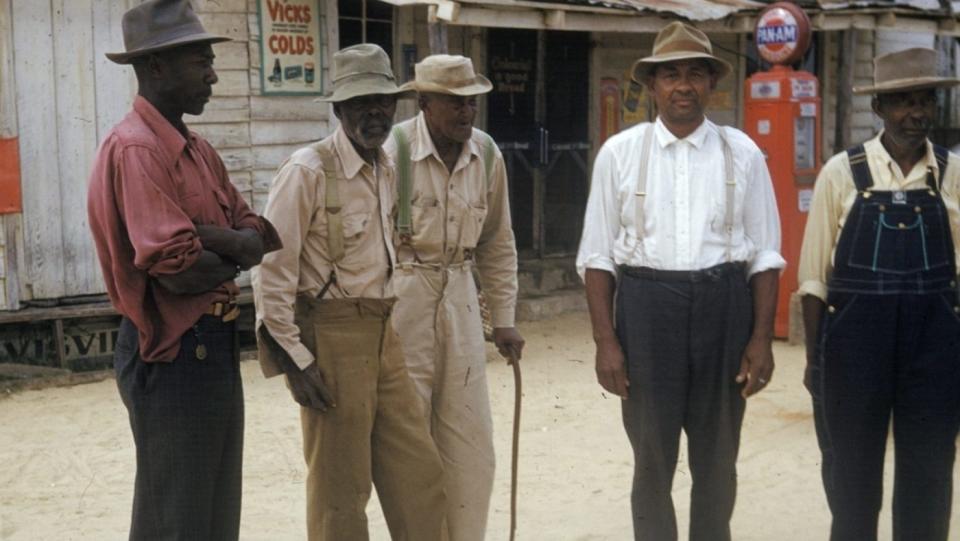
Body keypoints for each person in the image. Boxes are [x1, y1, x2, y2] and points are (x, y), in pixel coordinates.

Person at [576, 21, 785, 541]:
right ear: (652, 87)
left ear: (713, 84)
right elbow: (598, 257)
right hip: (647, 312)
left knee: (718, 460)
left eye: (695, 74)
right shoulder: (619, 155)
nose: (683, 86)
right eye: (671, 75)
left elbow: (763, 256)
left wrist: (760, 339)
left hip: (724, 308)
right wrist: (607, 343)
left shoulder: (743, 154)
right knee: (652, 459)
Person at [86, 1, 282, 539]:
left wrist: (206, 235)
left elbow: (260, 236)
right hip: (173, 354)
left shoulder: (198, 151)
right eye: (201, 61)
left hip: (213, 346)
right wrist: (226, 244)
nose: (214, 74)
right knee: (178, 519)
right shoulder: (138, 150)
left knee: (214, 516)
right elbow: (178, 272)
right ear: (155, 68)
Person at [251, 43, 449, 541]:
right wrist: (295, 358)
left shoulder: (387, 167)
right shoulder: (308, 170)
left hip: (385, 332)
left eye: (382, 100)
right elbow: (271, 269)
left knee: (419, 475)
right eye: (361, 103)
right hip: (331, 338)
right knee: (341, 492)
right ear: (339, 110)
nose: (374, 112)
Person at [799, 47, 960, 541]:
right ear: (879, 109)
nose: (916, 113)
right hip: (854, 347)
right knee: (852, 480)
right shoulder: (841, 173)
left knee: (930, 475)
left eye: (925, 100)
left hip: (934, 346)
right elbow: (812, 279)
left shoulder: (953, 175)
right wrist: (816, 361)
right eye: (902, 101)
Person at [383, 54, 525, 541]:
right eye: (454, 103)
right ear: (423, 103)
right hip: (404, 296)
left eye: (472, 102)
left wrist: (503, 318)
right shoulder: (391, 149)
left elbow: (497, 242)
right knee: (409, 439)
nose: (466, 113)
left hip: (461, 293)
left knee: (470, 443)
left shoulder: (487, 154)